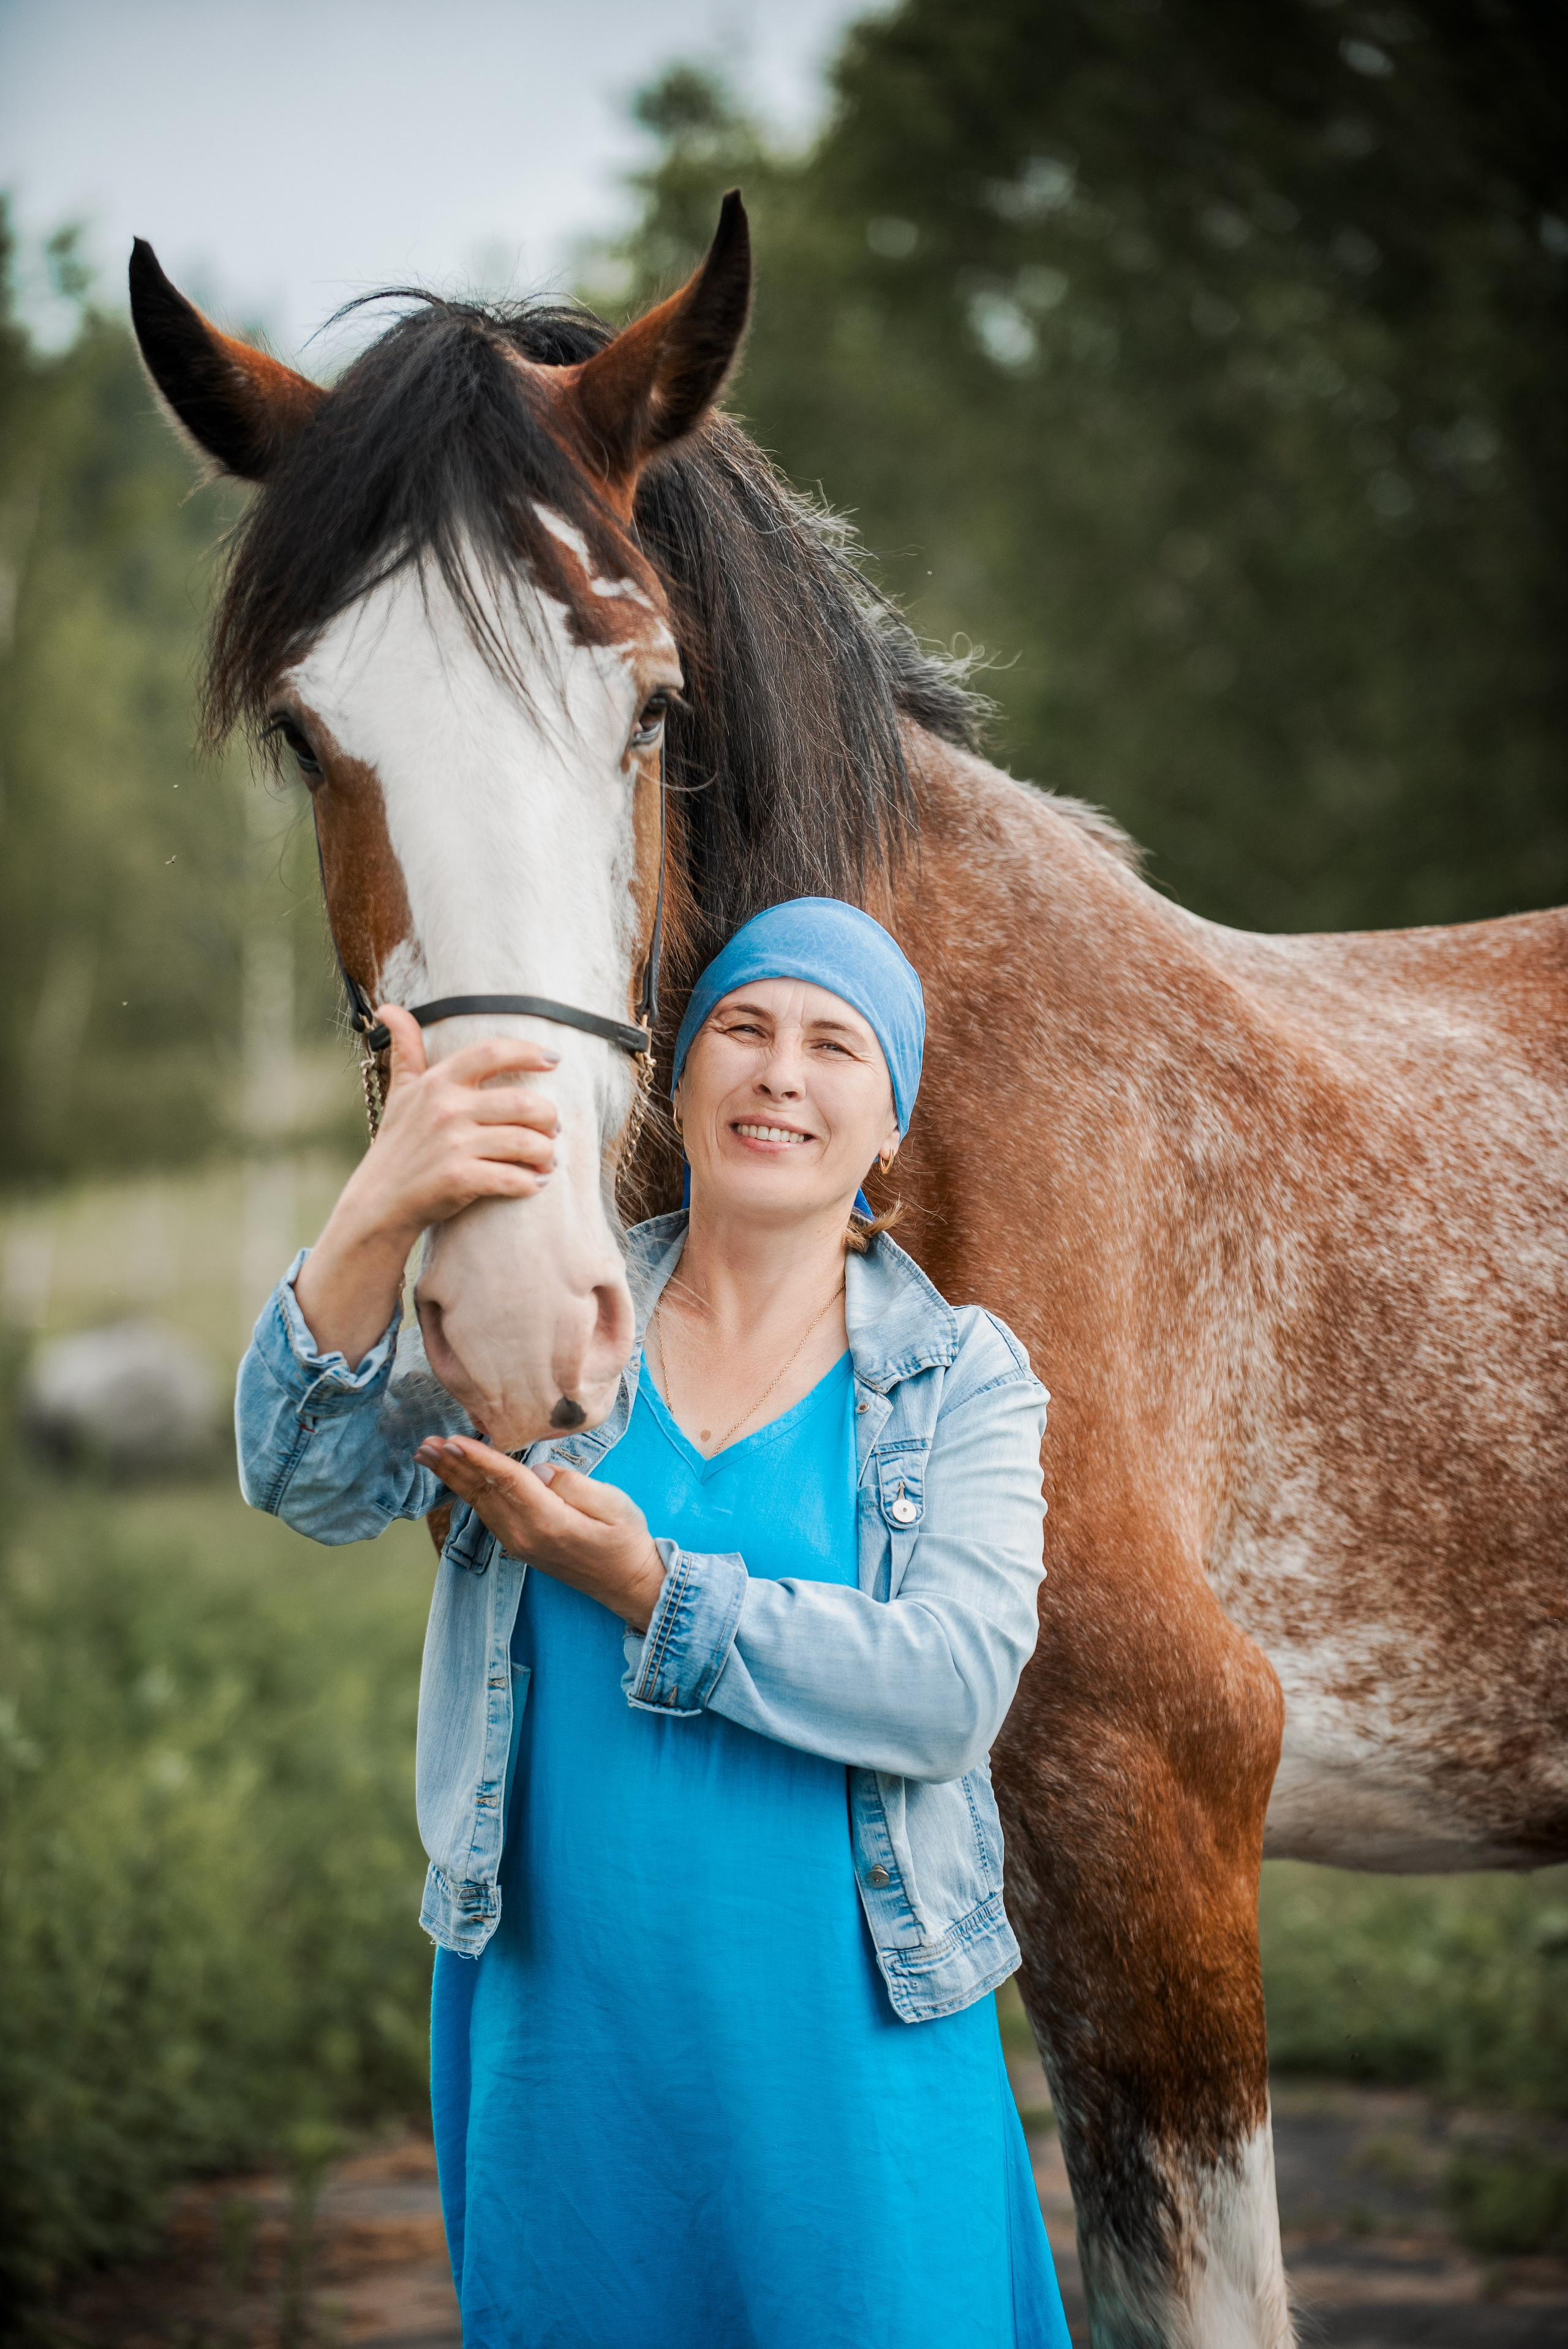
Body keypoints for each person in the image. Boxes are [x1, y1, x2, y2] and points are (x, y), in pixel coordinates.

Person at [236, 896, 1070, 2349]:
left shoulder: (960, 1380)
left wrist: (652, 1592)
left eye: (834, 1044)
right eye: (740, 1029)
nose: (778, 1072)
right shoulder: (535, 1311)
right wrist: (381, 1198)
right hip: (570, 2026)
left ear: (889, 1128)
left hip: (851, 2042)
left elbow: (948, 1693)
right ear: (673, 1077)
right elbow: (305, 1478)